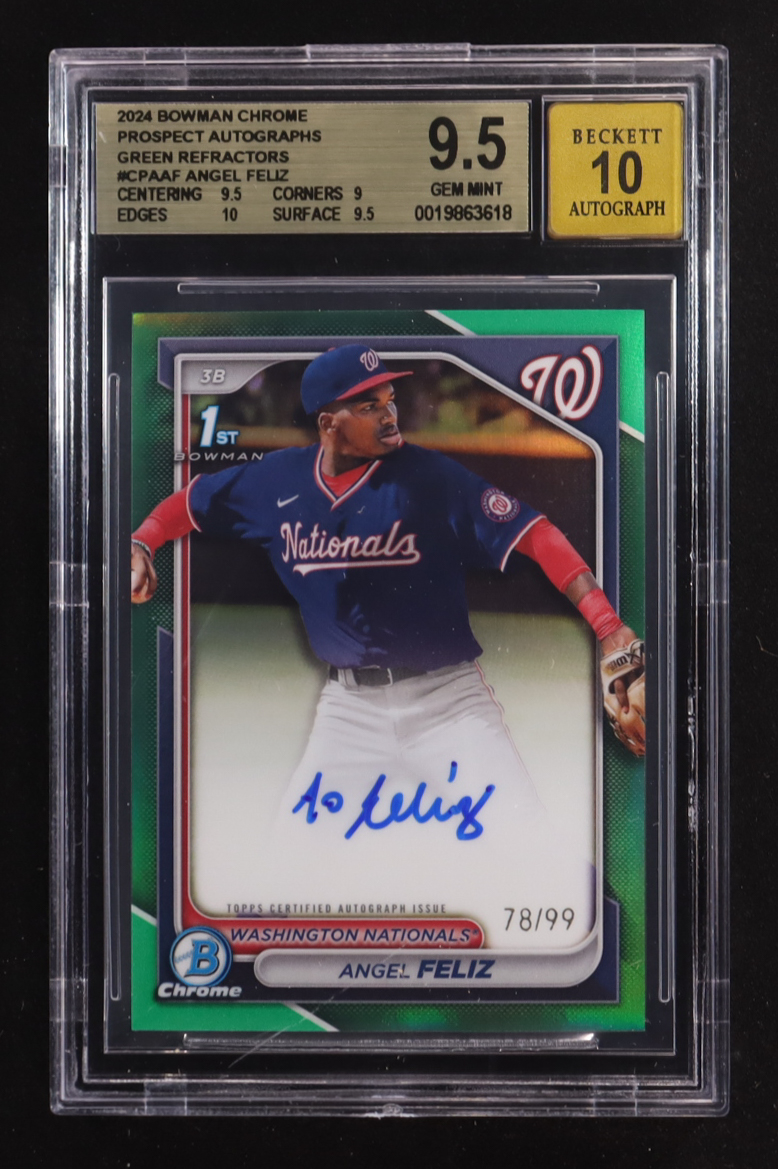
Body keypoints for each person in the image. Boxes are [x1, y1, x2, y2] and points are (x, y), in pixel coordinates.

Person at [131, 344, 638, 918]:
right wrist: (143, 540)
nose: (389, 413)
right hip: (348, 712)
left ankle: (609, 932)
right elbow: (190, 503)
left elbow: (536, 534)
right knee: (284, 872)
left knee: (527, 845)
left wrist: (608, 625)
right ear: (329, 423)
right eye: (369, 405)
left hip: (450, 703)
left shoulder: (429, 477)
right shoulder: (274, 482)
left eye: (389, 399)